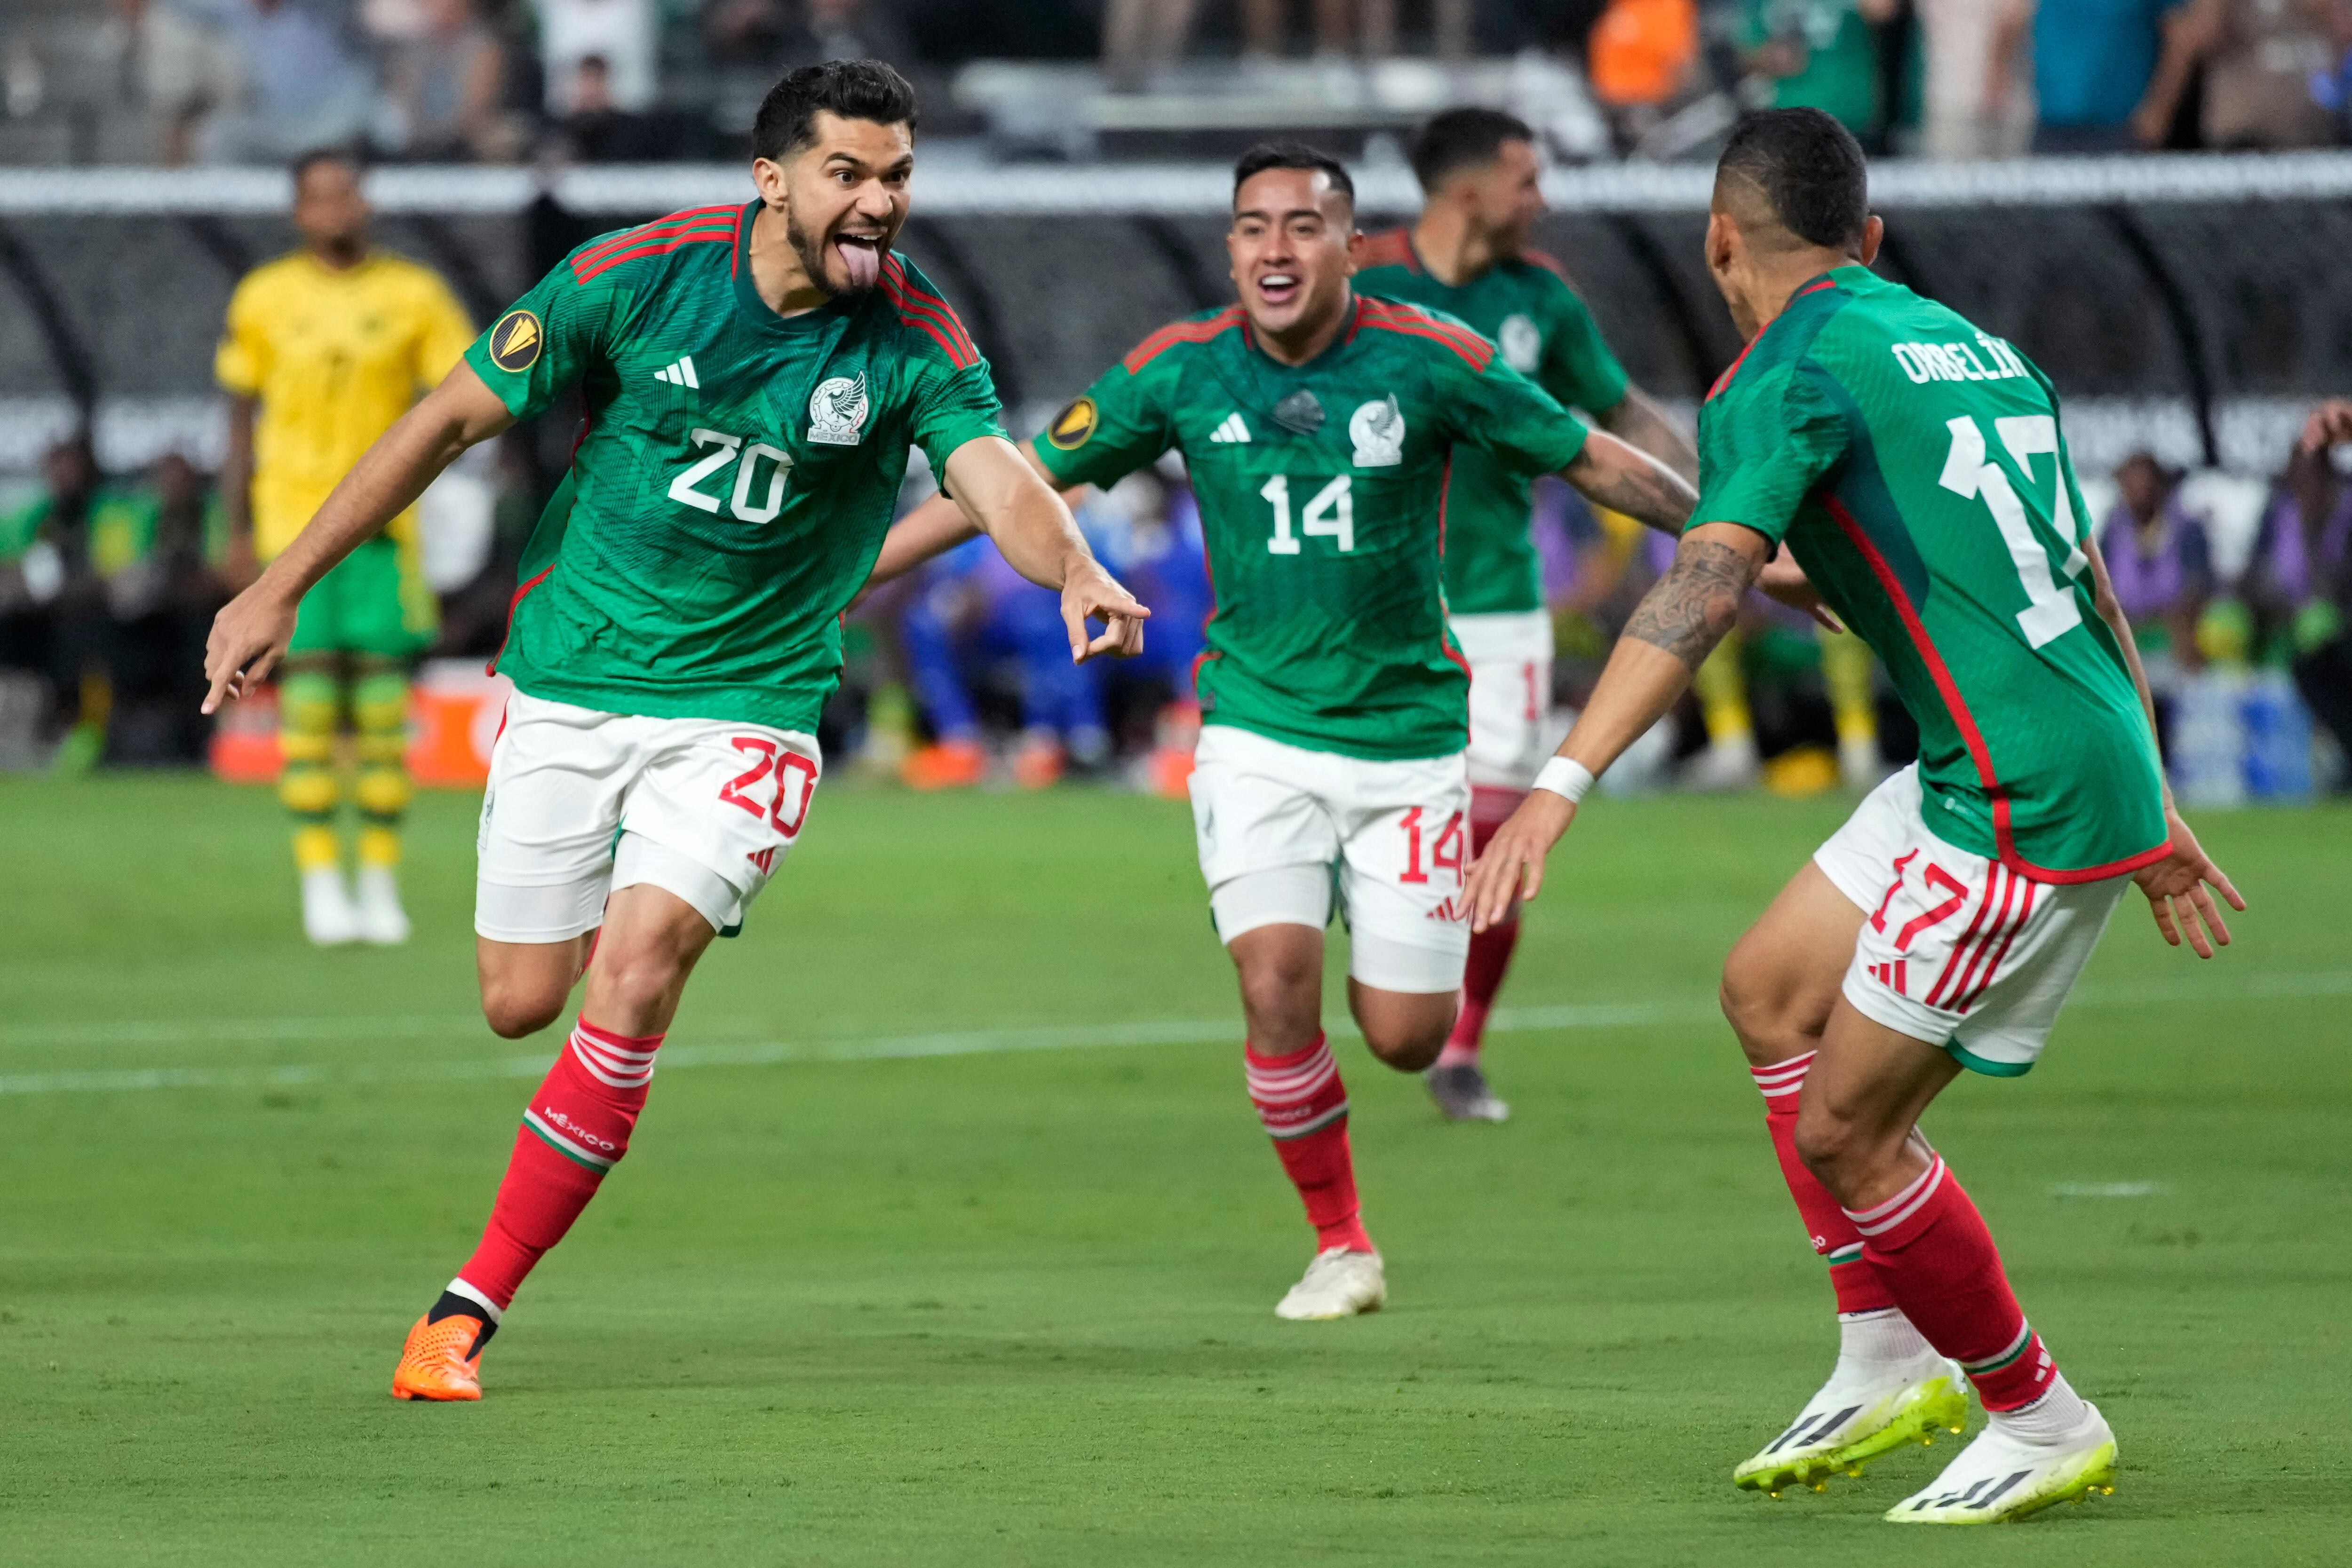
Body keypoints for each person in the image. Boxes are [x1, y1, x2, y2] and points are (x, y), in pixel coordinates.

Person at [203, 60, 1144, 1402]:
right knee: (519, 1002)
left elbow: (994, 475)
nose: (879, 202)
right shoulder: (635, 278)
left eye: (898, 176)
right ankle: (623, 899)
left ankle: (462, 1312)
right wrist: (278, 582)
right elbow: (447, 419)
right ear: (773, 179)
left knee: (636, 977)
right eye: (847, 174)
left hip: (749, 707)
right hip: (575, 675)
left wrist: (1077, 567)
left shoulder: (916, 336)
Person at [1465, 108, 2241, 1523]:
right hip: (2020, 751)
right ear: (1869, 238)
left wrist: (1554, 790)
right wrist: (2153, 787)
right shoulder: (1973, 347)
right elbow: (2075, 577)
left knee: (1848, 1132)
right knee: (1769, 989)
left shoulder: (1781, 373)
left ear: (1719, 241)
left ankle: (2038, 1411)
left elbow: (1702, 588)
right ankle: (1886, 1349)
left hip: (2017, 795)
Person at [868, 143, 1701, 1321]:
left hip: (1407, 743)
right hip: (1255, 732)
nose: (1275, 247)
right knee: (1272, 981)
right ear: (1229, 250)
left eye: (1303, 226)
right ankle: (1340, 1243)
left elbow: (1593, 459)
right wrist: (845, 573)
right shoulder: (1179, 367)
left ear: (1351, 246)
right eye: (1254, 226)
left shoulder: (1433, 359)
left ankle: (1397, 962)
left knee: (1405, 1036)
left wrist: (1740, 549)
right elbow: (1010, 481)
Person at [1351, 106, 1700, 1123]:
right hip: (1368, 602)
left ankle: (1459, 1047)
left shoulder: (1539, 297)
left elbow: (1619, 412)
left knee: (1497, 835)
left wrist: (1725, 504)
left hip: (1500, 604)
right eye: (1526, 180)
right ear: (1467, 192)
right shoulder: (1360, 281)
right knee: (1370, 822)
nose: (1541, 199)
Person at [216, 150, 476, 946]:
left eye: (347, 194)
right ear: (298, 211)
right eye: (320, 197)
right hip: (290, 529)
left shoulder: (414, 294)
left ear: (367, 202)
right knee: (309, 706)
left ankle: (381, 880)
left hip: (383, 530)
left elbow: (463, 398)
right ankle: (322, 880)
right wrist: (234, 531)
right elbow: (239, 419)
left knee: (383, 709)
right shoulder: (265, 296)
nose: (335, 209)